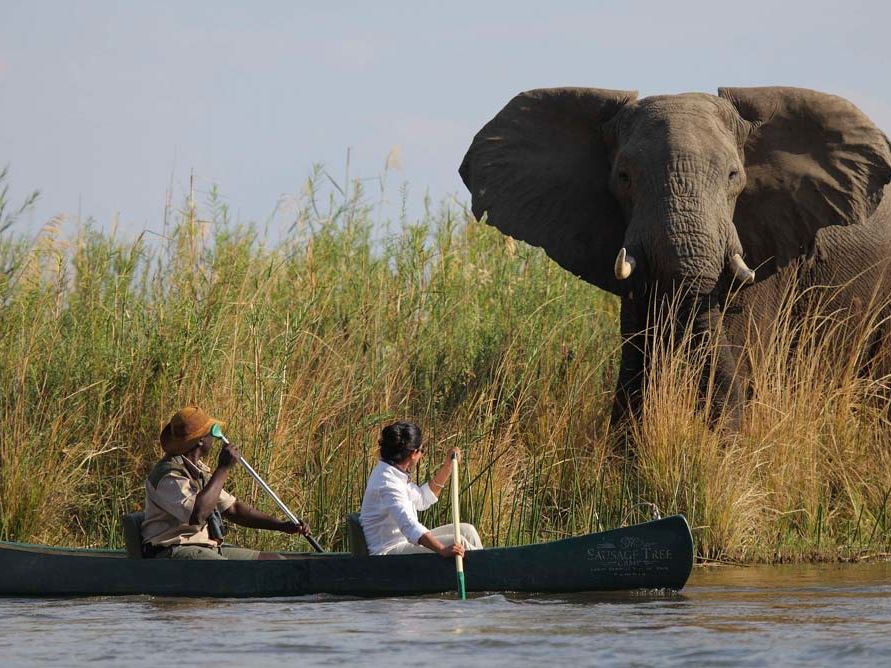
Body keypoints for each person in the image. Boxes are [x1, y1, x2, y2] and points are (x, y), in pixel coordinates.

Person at [141, 405, 311, 560]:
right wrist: (223, 468)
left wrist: (282, 526)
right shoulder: (167, 475)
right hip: (173, 551)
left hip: (207, 548)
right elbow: (197, 514)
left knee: (274, 561)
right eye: (210, 433)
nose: (213, 440)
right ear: (201, 440)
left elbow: (233, 508)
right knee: (229, 571)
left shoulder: (198, 470)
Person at [360, 421, 482, 556]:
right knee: (460, 542)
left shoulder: (394, 473)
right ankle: (487, 573)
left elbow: (423, 498)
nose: (422, 455)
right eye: (421, 450)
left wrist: (448, 467)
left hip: (404, 542)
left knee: (467, 531)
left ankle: (484, 571)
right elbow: (410, 526)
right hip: (388, 552)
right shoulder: (388, 483)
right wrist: (442, 549)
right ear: (413, 453)